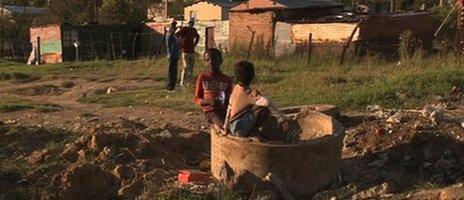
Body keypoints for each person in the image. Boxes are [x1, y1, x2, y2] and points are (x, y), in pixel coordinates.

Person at [224, 60, 288, 141]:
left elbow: (229, 108)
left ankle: (249, 130)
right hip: (240, 128)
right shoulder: (252, 93)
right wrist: (281, 119)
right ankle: (252, 131)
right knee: (263, 109)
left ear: (236, 77)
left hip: (232, 126)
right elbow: (267, 103)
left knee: (253, 109)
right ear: (252, 76)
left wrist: (225, 128)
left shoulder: (235, 89)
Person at [194, 48, 232, 128]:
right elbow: (197, 99)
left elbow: (229, 98)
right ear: (204, 62)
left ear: (221, 61)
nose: (211, 63)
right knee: (222, 124)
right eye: (207, 60)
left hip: (224, 110)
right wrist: (208, 102)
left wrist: (222, 101)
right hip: (210, 111)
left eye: (214, 60)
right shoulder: (203, 77)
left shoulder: (227, 79)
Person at [176, 20, 200, 87]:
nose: (191, 25)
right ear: (188, 24)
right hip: (185, 51)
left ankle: (189, 82)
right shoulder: (185, 29)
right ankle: (182, 82)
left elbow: (197, 36)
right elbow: (176, 35)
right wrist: (180, 44)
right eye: (190, 24)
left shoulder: (193, 30)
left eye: (192, 24)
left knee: (191, 67)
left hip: (191, 51)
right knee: (186, 67)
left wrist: (195, 44)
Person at [166, 21, 180, 92]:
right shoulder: (169, 34)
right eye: (173, 26)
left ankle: (173, 86)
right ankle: (169, 87)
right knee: (171, 72)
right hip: (171, 55)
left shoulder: (174, 35)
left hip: (176, 55)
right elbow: (170, 36)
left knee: (174, 72)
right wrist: (175, 29)